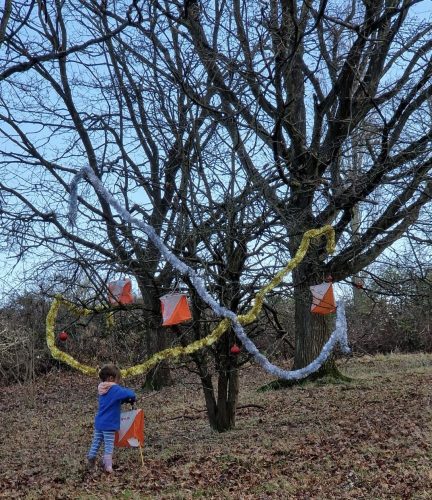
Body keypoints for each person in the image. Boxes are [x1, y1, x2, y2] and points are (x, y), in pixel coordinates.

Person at [87, 364, 136, 473]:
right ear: (111, 378)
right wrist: (132, 397)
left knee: (96, 442)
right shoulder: (114, 388)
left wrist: (122, 401)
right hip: (109, 424)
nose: (118, 382)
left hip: (99, 422)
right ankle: (108, 467)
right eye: (118, 379)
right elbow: (128, 393)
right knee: (109, 445)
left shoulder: (102, 388)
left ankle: (91, 457)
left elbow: (111, 401)